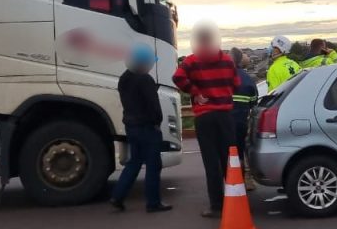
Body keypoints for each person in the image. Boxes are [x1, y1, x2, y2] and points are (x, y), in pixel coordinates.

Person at [173, 20, 241, 218]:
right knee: (229, 159)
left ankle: (216, 205)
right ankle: (235, 199)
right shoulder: (228, 60)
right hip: (225, 115)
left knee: (211, 162)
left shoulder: (192, 61)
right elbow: (235, 84)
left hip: (204, 117)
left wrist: (195, 91)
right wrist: (222, 92)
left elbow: (177, 78)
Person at [110, 43, 172, 213]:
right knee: (153, 165)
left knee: (134, 162)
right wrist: (157, 123)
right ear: (143, 62)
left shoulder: (124, 78)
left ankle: (118, 196)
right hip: (147, 127)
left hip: (131, 126)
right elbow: (154, 106)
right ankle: (153, 202)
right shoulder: (145, 79)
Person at [230, 47, 258, 191]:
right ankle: (243, 180)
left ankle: (229, 181)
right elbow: (254, 102)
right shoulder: (248, 79)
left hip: (224, 121)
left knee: (224, 153)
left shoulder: (224, 76)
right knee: (240, 152)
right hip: (242, 121)